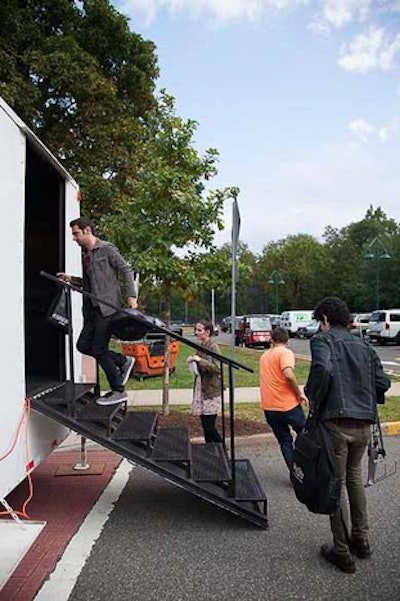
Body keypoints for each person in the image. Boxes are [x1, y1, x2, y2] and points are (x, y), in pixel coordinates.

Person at [305, 297, 390, 574]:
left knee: (335, 483)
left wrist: (312, 396)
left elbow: (323, 369)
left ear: (326, 319)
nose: (319, 326)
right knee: (354, 478)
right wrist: (364, 399)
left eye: (320, 321)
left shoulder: (323, 340)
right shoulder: (365, 346)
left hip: (335, 423)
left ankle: (341, 551)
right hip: (363, 424)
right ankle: (361, 539)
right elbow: (383, 383)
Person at [57, 217, 137, 406]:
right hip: (92, 310)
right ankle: (122, 360)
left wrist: (131, 296)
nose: (74, 238)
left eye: (76, 233)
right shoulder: (87, 256)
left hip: (107, 309)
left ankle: (118, 390)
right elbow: (89, 284)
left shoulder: (106, 249)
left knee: (99, 350)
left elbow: (126, 269)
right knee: (83, 346)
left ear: (87, 230)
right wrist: (71, 279)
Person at [259, 327, 307, 472]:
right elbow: (288, 374)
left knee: (285, 441)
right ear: (288, 340)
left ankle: (295, 473)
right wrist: (299, 393)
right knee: (305, 434)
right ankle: (310, 468)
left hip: (269, 407)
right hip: (288, 405)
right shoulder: (285, 353)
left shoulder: (264, 356)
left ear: (272, 340)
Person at [187, 320, 223, 443]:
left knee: (209, 426)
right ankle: (211, 451)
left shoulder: (213, 347)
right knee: (205, 426)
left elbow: (217, 367)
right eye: (196, 330)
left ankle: (221, 450)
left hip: (211, 391)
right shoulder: (201, 346)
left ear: (207, 332)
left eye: (199, 330)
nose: (196, 332)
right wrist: (193, 361)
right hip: (202, 388)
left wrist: (199, 360)